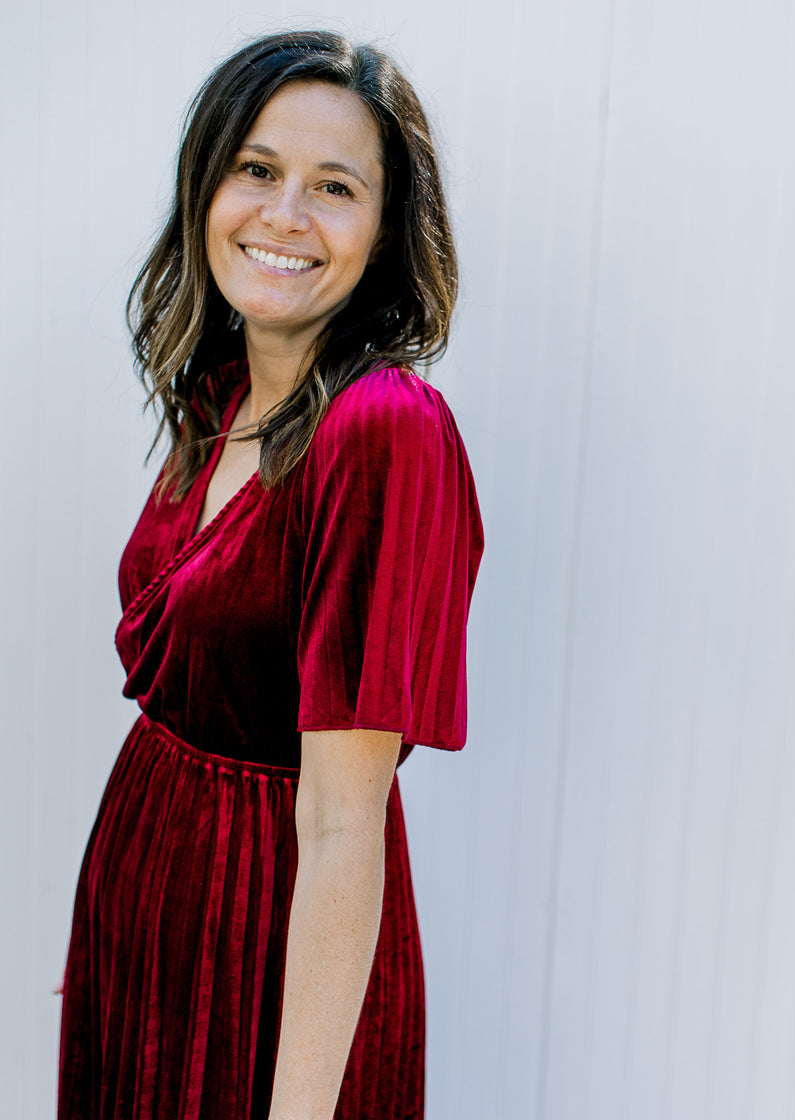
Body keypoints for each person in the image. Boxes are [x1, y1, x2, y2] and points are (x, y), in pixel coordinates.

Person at [57, 29, 483, 1120]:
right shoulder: (220, 391)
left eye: (333, 186)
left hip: (268, 957)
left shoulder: (382, 430)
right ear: (207, 186)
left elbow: (344, 824)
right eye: (256, 169)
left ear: (385, 230)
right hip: (150, 920)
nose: (284, 215)